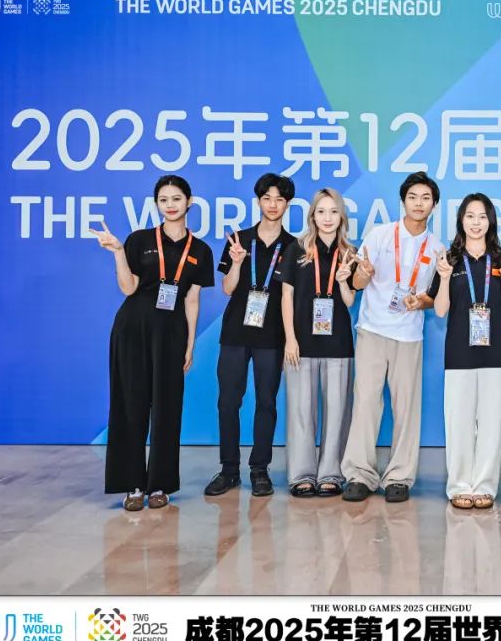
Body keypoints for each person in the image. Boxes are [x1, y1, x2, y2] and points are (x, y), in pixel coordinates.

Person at [91, 175, 214, 510]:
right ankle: (132, 484)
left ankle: (160, 484)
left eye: (176, 198)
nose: (170, 205)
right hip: (132, 329)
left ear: (189, 202)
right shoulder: (139, 240)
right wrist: (118, 252)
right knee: (129, 404)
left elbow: (192, 300)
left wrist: (190, 344)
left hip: (171, 334)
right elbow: (128, 288)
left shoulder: (200, 250)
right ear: (157, 204)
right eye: (163, 200)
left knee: (167, 407)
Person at [340, 172, 445, 503]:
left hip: (409, 336)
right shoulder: (381, 235)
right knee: (366, 403)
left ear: (434, 205)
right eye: (413, 197)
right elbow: (357, 284)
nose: (418, 203)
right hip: (372, 330)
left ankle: (399, 476)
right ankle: (360, 474)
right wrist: (362, 273)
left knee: (406, 407)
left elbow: (434, 297)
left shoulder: (437, 248)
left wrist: (420, 302)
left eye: (425, 198)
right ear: (403, 201)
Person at [429, 193, 501, 510]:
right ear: (461, 220)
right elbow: (440, 310)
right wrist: (445, 278)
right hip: (459, 354)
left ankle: (484, 486)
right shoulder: (449, 259)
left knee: (491, 424)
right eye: (470, 216)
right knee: (458, 422)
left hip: (497, 355)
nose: (476, 223)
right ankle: (459, 486)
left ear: (490, 221)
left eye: (482, 216)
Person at [204, 173, 296, 498]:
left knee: (266, 403)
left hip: (272, 336)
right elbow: (228, 289)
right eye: (267, 198)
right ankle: (229, 470)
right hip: (235, 334)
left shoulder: (294, 246)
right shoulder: (238, 240)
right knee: (228, 402)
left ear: (287, 204)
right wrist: (237, 263)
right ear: (258, 201)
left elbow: (293, 297)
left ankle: (260, 470)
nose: (273, 205)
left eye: (279, 199)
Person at [277, 188, 358, 497]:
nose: (327, 218)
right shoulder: (296, 250)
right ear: (312, 216)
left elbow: (349, 301)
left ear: (341, 216)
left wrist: (343, 281)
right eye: (321, 211)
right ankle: (302, 475)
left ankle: (331, 474)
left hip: (338, 343)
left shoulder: (350, 252)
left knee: (337, 412)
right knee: (300, 411)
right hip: (301, 343)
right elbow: (286, 296)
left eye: (333, 211)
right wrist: (290, 339)